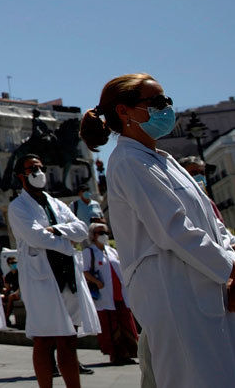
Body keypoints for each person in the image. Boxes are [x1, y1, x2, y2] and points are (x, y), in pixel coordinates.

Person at [86, 74, 235, 388]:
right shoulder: (128, 161)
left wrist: (232, 261)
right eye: (155, 101)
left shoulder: (164, 160)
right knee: (194, 378)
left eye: (166, 99)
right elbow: (173, 229)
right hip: (174, 291)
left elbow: (212, 221)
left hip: (205, 286)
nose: (166, 107)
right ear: (124, 111)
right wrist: (229, 270)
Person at [8, 154, 98, 388]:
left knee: (69, 339)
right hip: (42, 278)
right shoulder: (18, 207)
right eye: (32, 169)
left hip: (68, 276)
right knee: (44, 340)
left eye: (40, 167)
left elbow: (81, 229)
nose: (38, 172)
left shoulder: (57, 204)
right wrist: (67, 241)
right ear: (21, 175)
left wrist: (56, 230)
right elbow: (35, 236)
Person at [80, 222, 137, 366]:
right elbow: (84, 271)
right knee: (110, 325)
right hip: (104, 295)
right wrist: (96, 282)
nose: (104, 235)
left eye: (106, 232)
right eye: (100, 233)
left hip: (120, 294)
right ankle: (116, 355)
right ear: (93, 236)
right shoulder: (89, 252)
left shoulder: (112, 251)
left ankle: (127, 353)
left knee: (125, 322)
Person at [1, 256, 20, 327]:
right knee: (2, 298)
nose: (14, 264)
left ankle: (6, 317)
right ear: (8, 264)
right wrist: (4, 294)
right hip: (14, 293)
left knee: (10, 297)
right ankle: (4, 318)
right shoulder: (8, 275)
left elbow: (22, 285)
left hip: (20, 292)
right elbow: (7, 288)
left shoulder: (20, 273)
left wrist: (16, 292)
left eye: (15, 262)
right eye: (12, 263)